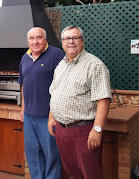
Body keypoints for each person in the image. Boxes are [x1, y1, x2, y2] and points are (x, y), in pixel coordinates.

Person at [48, 25, 111, 179]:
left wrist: (97, 129)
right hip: (62, 129)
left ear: (82, 41)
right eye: (66, 39)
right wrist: (51, 117)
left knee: (91, 173)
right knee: (72, 172)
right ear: (62, 43)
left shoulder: (94, 65)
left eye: (74, 38)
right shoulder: (61, 65)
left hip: (83, 131)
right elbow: (55, 93)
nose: (70, 42)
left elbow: (103, 99)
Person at [18, 27, 64, 179]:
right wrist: (23, 109)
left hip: (48, 116)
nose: (35, 41)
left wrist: (54, 114)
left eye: (39, 37)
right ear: (28, 41)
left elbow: (62, 85)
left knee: (52, 155)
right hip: (29, 116)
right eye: (32, 38)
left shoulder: (56, 54)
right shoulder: (25, 57)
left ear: (45, 39)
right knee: (33, 154)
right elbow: (23, 85)